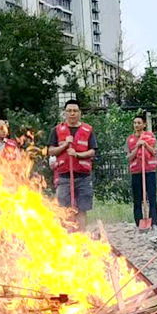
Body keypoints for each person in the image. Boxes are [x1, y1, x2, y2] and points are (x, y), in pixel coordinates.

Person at [48, 99, 96, 232]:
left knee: (82, 208)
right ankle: (68, 237)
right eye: (69, 111)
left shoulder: (88, 130)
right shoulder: (57, 130)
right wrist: (64, 145)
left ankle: (81, 235)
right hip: (64, 177)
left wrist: (78, 155)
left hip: (83, 177)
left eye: (75, 111)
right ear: (65, 113)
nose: (72, 113)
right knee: (64, 209)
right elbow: (51, 151)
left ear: (79, 113)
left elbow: (92, 151)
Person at [126, 113, 157, 231]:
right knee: (137, 198)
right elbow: (129, 157)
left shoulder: (150, 137)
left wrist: (145, 144)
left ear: (144, 124)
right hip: (136, 172)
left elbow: (154, 152)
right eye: (135, 123)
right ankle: (138, 222)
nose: (137, 125)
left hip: (149, 171)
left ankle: (153, 222)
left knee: (152, 197)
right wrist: (137, 147)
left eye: (139, 123)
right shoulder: (130, 139)